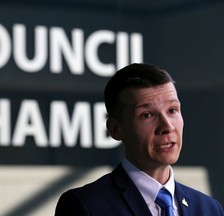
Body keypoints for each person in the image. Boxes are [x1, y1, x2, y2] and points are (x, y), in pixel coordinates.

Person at [54, 63, 224, 216]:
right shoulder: (85, 206)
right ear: (115, 129)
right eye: (147, 115)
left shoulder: (209, 209)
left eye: (172, 110)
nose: (167, 126)